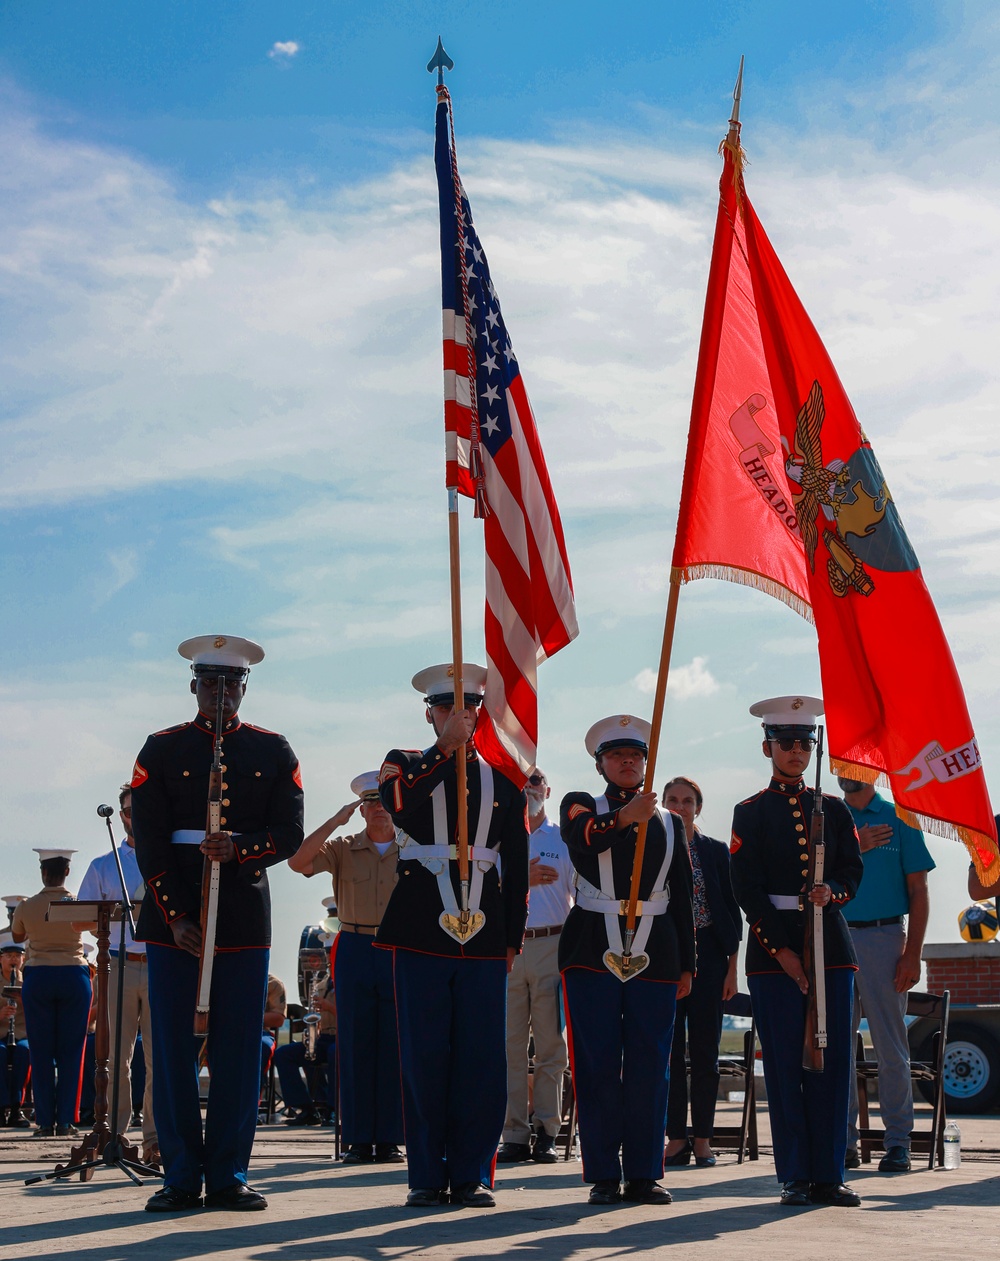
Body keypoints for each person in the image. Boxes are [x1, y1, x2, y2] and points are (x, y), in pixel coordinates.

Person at [131, 634, 304, 1213]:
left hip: (241, 918)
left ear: (245, 688)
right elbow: (148, 841)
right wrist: (175, 915)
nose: (222, 694)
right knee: (174, 1049)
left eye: (232, 684)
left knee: (237, 1050)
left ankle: (229, 1174)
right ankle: (180, 1175)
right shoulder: (159, 749)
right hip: (172, 918)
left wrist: (242, 848)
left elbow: (289, 834)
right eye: (211, 683)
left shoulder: (274, 751)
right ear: (194, 686)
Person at [376, 662, 529, 1209]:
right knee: (424, 1055)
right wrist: (445, 748)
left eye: (469, 709)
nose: (459, 717)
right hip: (421, 927)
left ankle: (471, 1173)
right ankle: (425, 1174)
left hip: (485, 931)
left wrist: (512, 934)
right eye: (447, 709)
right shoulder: (404, 763)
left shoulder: (502, 779)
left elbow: (516, 860)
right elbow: (398, 804)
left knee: (481, 1057)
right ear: (431, 713)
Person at [729, 695, 863, 1208]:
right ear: (768, 747)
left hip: (831, 945)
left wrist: (836, 894)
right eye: (785, 743)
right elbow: (745, 887)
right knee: (785, 1064)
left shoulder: (832, 808)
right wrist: (781, 950)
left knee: (831, 1063)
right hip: (772, 951)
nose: (794, 752)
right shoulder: (751, 812)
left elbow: (852, 870)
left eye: (804, 744)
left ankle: (830, 1173)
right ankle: (795, 1175)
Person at [559, 716, 695, 1207]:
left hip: (656, 951)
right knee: (595, 1063)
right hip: (592, 944)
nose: (627, 763)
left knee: (650, 1065)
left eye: (635, 756)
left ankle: (643, 1171)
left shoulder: (670, 822)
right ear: (600, 764)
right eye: (617, 756)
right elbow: (581, 842)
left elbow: (681, 894)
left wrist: (687, 964)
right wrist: (622, 818)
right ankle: (601, 1172)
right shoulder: (581, 805)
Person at [288, 770, 403, 1163]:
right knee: (355, 1045)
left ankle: (389, 1138)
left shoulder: (414, 848)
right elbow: (298, 861)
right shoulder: (342, 846)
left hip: (397, 946)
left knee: (394, 1044)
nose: (378, 810)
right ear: (361, 809)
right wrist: (335, 821)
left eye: (385, 801)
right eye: (371, 802)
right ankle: (357, 1138)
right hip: (354, 943)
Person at [839, 775, 935, 1173]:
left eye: (858, 761)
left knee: (891, 1047)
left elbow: (919, 890)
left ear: (874, 769)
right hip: (833, 938)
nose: (849, 769)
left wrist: (912, 954)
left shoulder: (901, 817)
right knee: (836, 1048)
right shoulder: (826, 816)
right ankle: (841, 1143)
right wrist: (854, 847)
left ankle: (898, 1143)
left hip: (885, 937)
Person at [662, 776, 741, 1169]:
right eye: (672, 800)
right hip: (666, 958)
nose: (680, 807)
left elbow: (730, 910)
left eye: (688, 801)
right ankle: (676, 1138)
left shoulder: (714, 851)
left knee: (706, 1052)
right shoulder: (653, 847)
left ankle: (704, 1140)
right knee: (670, 1053)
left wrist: (732, 969)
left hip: (710, 957)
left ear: (698, 807)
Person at [498, 766, 575, 1165]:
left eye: (534, 781)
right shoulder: (496, 835)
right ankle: (513, 1132)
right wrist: (517, 880)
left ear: (547, 788)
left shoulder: (563, 838)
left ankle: (547, 1130)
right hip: (508, 947)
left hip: (552, 942)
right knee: (509, 1048)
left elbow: (582, 893)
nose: (528, 788)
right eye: (520, 782)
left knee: (549, 1046)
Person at [77, 783, 158, 1163]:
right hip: (118, 965)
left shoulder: (169, 858)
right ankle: (114, 1137)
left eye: (142, 808)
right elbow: (80, 917)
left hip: (161, 963)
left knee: (160, 1058)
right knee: (112, 1060)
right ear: (121, 815)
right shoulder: (103, 865)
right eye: (129, 810)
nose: (135, 815)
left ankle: (156, 1139)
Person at [11, 849, 92, 1138]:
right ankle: (66, 1121)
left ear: (42, 872)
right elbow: (93, 928)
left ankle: (44, 1121)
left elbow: (18, 936)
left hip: (39, 974)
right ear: (67, 872)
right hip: (74, 973)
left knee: (41, 1052)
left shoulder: (26, 906)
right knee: (73, 1052)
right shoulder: (78, 903)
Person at [274, 963, 337, 1126]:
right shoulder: (322, 984)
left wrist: (329, 1007)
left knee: (335, 1053)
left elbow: (355, 1014)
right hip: (323, 1036)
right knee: (284, 1054)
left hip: (343, 1037)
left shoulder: (351, 982)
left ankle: (333, 1109)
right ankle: (305, 1108)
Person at [0, 935, 31, 1127]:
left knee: (24, 1052)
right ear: (1, 959)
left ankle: (16, 1107)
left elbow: (39, 1014)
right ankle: (2, 1106)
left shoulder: (28, 982)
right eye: (8, 955)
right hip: (1, 1034)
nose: (13, 959)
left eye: (17, 956)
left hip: (21, 1034)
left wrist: (24, 1003)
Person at [260, 973, 287, 1107]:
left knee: (261, 1048)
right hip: (224, 1031)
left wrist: (245, 1017)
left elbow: (278, 1019)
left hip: (258, 1032)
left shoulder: (273, 984)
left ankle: (252, 1106)